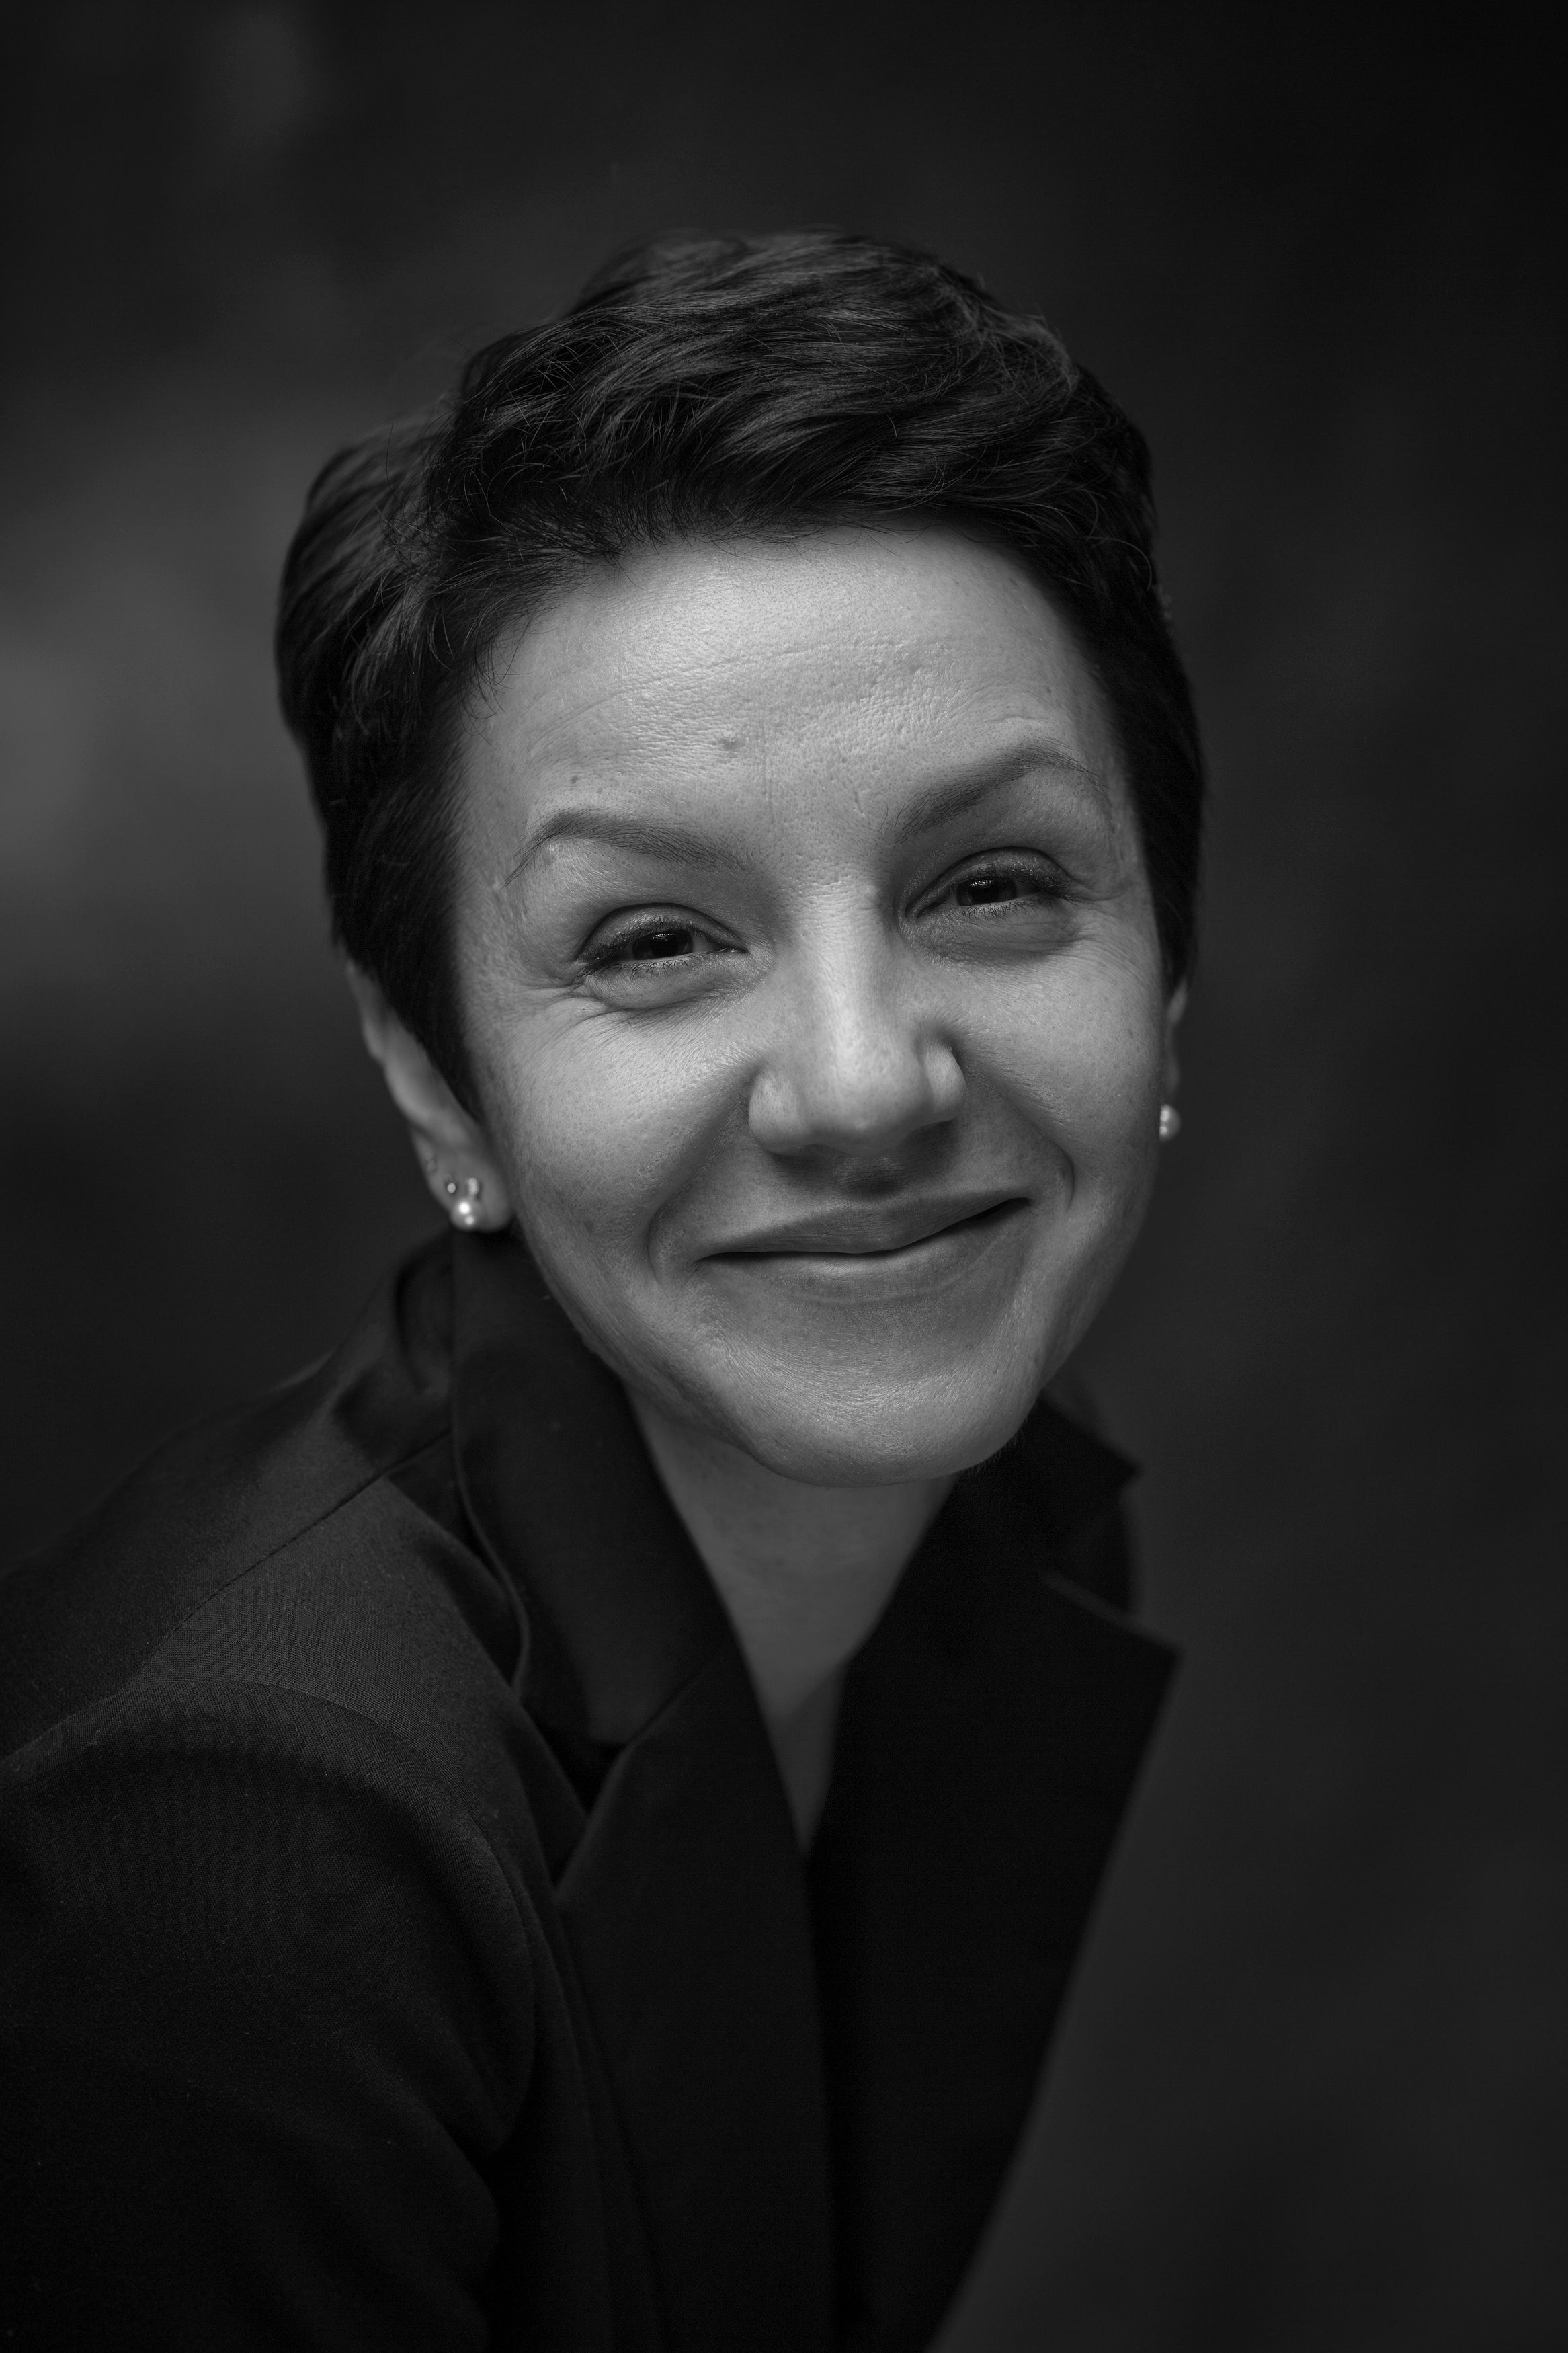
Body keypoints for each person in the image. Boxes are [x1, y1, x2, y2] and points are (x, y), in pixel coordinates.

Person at [0, 231, 1203, 2352]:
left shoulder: (1013, 1515)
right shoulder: (244, 1853)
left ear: (1166, 981)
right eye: (654, 940)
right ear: (432, 1073)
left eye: (992, 883)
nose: (866, 1084)